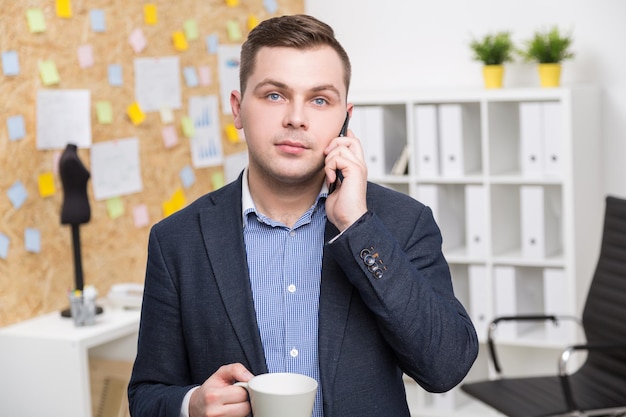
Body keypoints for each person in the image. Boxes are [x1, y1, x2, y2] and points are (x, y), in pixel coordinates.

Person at [128, 14, 478, 417]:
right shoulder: (178, 240)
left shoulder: (402, 223)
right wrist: (190, 404)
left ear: (345, 119)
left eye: (319, 99)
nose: (296, 117)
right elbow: (146, 395)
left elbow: (446, 367)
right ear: (238, 109)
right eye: (275, 95)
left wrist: (358, 227)